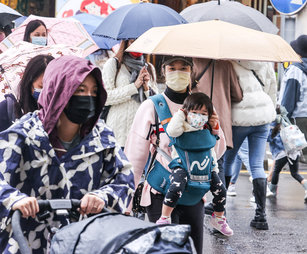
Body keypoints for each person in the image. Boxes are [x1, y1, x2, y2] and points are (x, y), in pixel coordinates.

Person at [0, 55, 134, 253]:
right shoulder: (22, 135)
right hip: (27, 242)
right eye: (80, 90)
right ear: (58, 89)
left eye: (94, 91)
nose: (88, 97)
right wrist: (14, 199)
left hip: (82, 243)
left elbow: (124, 179)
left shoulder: (103, 137)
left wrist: (102, 196)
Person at [125, 56, 226, 254]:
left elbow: (217, 153)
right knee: (166, 251)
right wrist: (126, 201)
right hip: (160, 194)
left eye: (183, 68)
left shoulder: (203, 107)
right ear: (163, 71)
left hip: (194, 193)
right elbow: (134, 158)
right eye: (172, 68)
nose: (177, 73)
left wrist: (215, 128)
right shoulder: (152, 106)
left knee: (193, 249)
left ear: (191, 73)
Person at [156, 92, 233, 236]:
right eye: (195, 112)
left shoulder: (207, 127)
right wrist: (180, 114)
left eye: (204, 113)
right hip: (183, 166)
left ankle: (219, 218)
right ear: (186, 112)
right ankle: (165, 216)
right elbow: (172, 131)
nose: (199, 116)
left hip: (206, 166)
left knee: (221, 190)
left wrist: (214, 123)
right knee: (176, 186)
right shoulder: (182, 125)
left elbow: (213, 145)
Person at [224, 60, 277, 230]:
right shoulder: (264, 61)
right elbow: (272, 90)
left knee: (228, 160)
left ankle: (219, 209)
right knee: (256, 164)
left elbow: (228, 91)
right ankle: (261, 216)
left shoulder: (230, 61)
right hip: (263, 116)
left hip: (239, 117)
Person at [101, 40, 157, 148]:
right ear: (126, 42)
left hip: (141, 134)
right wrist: (134, 87)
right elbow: (106, 97)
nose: (137, 45)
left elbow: (155, 102)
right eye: (133, 41)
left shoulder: (149, 67)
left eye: (141, 41)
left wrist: (146, 88)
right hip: (118, 135)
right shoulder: (114, 64)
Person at [0, 54, 54, 132]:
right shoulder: (6, 109)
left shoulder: (64, 112)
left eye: (52, 87)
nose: (47, 92)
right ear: (29, 83)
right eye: (41, 87)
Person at [267, 105, 307, 202]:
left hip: (282, 154)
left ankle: (272, 191)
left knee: (276, 171)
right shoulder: (287, 122)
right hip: (294, 152)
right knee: (295, 173)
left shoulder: (273, 124)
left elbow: (269, 138)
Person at [278, 35, 307, 164]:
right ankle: (272, 182)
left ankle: (271, 182)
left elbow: (289, 100)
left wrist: (282, 119)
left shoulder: (295, 69)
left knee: (289, 155)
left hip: (297, 119)